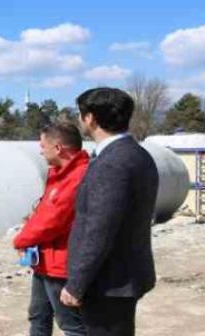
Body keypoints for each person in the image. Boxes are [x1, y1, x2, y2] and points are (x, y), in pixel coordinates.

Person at [60, 87, 158, 336]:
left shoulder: (112, 163)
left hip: (108, 282)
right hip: (124, 276)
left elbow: (99, 230)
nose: (80, 120)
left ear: (90, 118)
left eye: (80, 114)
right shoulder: (138, 155)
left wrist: (76, 285)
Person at [14, 122, 90, 336]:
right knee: (38, 316)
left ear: (58, 148)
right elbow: (45, 211)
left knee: (71, 325)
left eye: (43, 145)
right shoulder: (59, 173)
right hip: (45, 261)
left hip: (61, 265)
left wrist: (21, 240)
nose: (40, 150)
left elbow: (53, 220)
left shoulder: (77, 176)